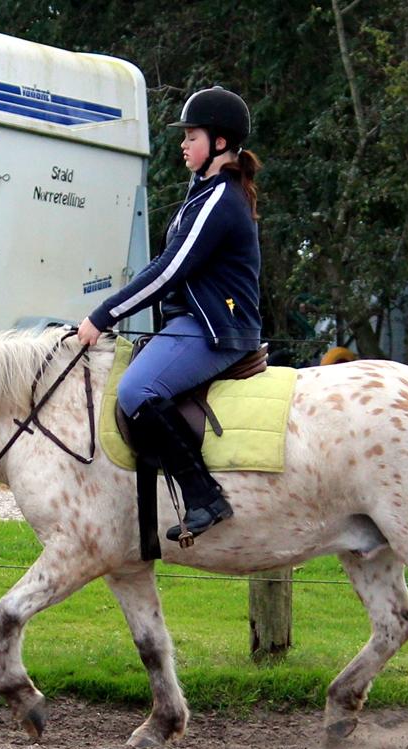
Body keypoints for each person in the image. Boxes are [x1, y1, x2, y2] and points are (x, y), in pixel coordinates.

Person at [77, 86, 263, 543]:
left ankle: (204, 496)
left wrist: (103, 316)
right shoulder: (203, 194)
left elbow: (169, 271)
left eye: (192, 136)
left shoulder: (220, 198)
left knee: (137, 389)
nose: (183, 144)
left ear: (219, 143)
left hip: (217, 328)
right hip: (192, 324)